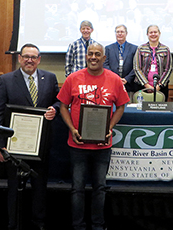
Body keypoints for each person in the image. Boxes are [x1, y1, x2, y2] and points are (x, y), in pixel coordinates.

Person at [58, 42, 129, 230]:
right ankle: (78, 226)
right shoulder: (73, 78)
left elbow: (121, 105)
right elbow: (63, 106)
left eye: (98, 54)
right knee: (77, 189)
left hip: (102, 146)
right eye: (90, 54)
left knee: (100, 188)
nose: (93, 57)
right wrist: (73, 129)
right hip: (77, 145)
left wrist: (110, 127)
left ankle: (98, 225)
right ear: (86, 56)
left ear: (104, 58)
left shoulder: (114, 79)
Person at [0, 43, 60, 230]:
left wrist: (55, 108)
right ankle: (14, 224)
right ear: (19, 58)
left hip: (40, 145)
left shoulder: (50, 77)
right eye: (26, 56)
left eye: (33, 57)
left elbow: (58, 100)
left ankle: (39, 224)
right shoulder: (6, 80)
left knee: (40, 188)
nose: (30, 60)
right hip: (14, 146)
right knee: (14, 189)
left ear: (39, 60)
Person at [133, 25, 173, 100]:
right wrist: (146, 85)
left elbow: (168, 68)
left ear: (159, 33)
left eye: (155, 32)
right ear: (147, 34)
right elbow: (137, 68)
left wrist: (159, 86)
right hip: (142, 86)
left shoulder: (165, 49)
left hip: (161, 88)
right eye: (151, 32)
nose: (153, 34)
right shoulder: (141, 48)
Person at [103, 24, 138, 100]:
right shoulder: (108, 48)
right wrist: (115, 78)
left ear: (126, 33)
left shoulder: (134, 48)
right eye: (117, 32)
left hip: (129, 84)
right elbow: (105, 65)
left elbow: (137, 66)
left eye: (122, 31)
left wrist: (127, 79)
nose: (120, 33)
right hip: (112, 84)